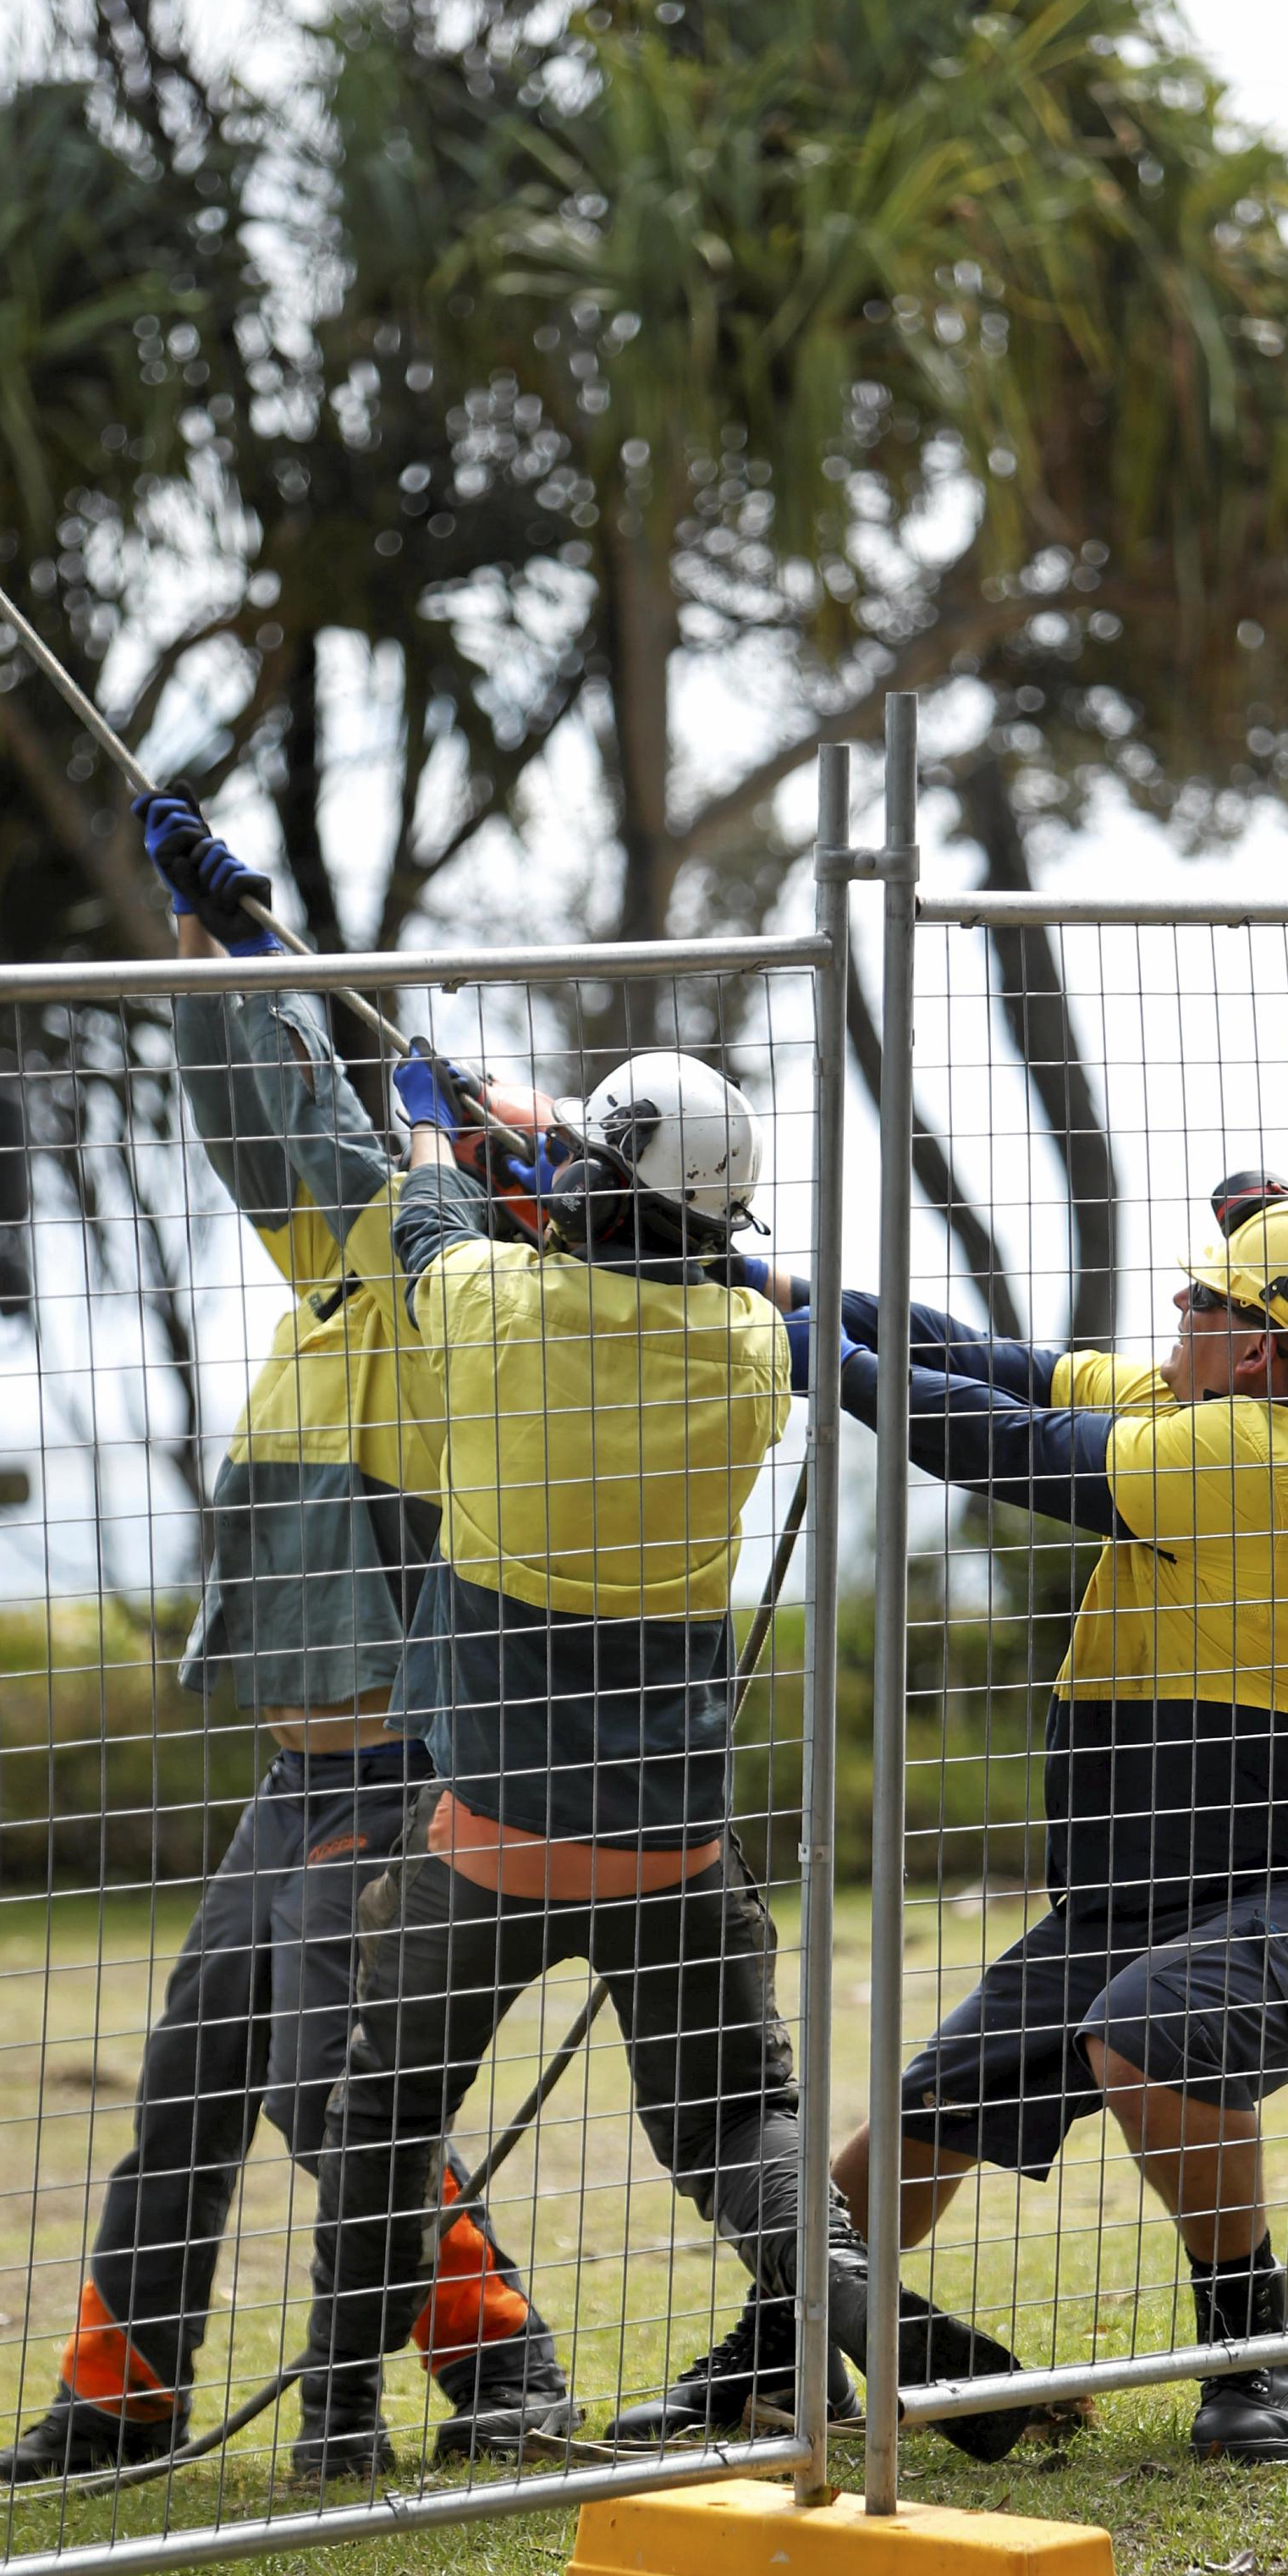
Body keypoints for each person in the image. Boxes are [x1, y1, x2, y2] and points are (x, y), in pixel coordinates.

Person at [297, 1016, 1034, 2466]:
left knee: (381, 2122)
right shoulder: (749, 1350)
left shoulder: (496, 1308)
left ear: (581, 1195)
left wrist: (441, 1121)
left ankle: (337, 2432)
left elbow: (433, 1214)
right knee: (731, 2124)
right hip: (668, 1846)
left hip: (485, 1845)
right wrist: (538, 1130)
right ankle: (840, 2286)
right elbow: (679, 1252)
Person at [0, 795, 574, 2492]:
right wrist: (218, 948)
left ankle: (500, 2355)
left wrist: (269, 959)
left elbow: (310, 1125)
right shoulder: (366, 1273)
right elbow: (264, 1116)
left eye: (474, 1140)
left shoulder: (483, 1316)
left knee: (329, 2090)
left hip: (388, 1763)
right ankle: (125, 2390)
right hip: (295, 1765)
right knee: (193, 2080)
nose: (428, 1140)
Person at [713, 1176, 1288, 2466]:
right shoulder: (1198, 1410)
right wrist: (784, 1294)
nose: (1176, 1304)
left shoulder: (1254, 1456)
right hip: (1160, 1889)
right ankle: (766, 2362)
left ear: (1263, 1349)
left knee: (1150, 2030)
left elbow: (996, 1442)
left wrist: (795, 1354)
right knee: (927, 2108)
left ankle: (1251, 2348)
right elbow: (983, 1361)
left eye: (1205, 1300)